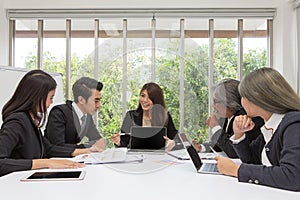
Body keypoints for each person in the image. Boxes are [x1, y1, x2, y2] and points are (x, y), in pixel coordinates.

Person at [215, 68, 300, 191]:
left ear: (258, 98)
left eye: (243, 97)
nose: (242, 102)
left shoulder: (293, 124)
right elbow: (251, 160)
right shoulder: (270, 125)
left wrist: (236, 170)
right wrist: (239, 134)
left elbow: (292, 176)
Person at [0, 70, 86, 177]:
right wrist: (44, 163)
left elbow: (49, 149)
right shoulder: (16, 122)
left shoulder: (30, 120)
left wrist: (83, 151)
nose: (51, 102)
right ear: (36, 97)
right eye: (50, 98)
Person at [192, 79, 264, 158]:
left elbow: (233, 151)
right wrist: (201, 147)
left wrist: (215, 127)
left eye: (216, 102)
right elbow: (220, 143)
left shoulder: (245, 118)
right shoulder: (226, 117)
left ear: (229, 102)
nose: (213, 106)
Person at [111, 82, 178, 151]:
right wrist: (118, 142)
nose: (145, 100)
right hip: (135, 157)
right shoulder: (130, 116)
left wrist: (173, 143)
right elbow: (124, 143)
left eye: (150, 98)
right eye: (143, 96)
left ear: (156, 101)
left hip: (159, 158)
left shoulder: (165, 117)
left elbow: (177, 139)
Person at [44, 77, 106, 151]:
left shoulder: (87, 116)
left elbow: (97, 139)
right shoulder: (59, 113)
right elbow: (58, 146)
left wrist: (99, 142)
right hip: (52, 160)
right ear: (81, 100)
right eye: (96, 101)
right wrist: (87, 146)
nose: (99, 105)